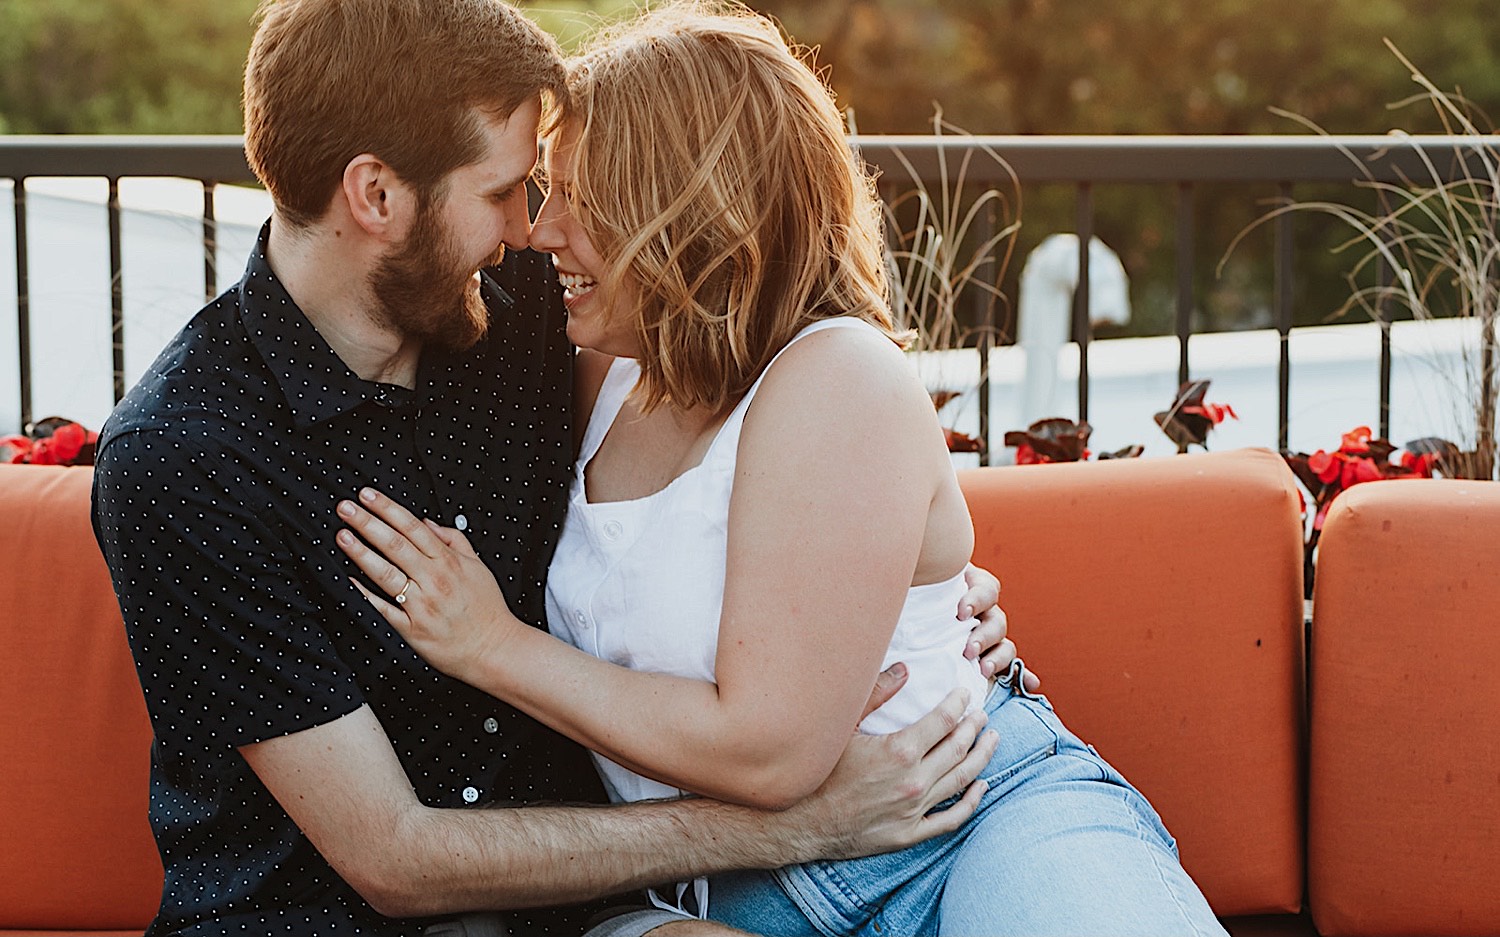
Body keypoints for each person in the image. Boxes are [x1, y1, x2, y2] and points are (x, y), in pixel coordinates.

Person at [88, 1, 1019, 936]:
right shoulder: (182, 458)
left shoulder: (534, 308)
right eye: (503, 192)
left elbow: (772, 416)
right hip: (325, 916)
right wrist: (786, 827)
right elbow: (392, 860)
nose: (531, 228)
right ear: (376, 196)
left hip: (581, 908)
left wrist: (914, 595)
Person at [336, 4, 1231, 936]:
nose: (542, 230)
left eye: (583, 200)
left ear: (685, 209)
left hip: (962, 821)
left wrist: (493, 646)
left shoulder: (836, 375)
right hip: (709, 878)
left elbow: (770, 752)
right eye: (543, 191)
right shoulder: (592, 362)